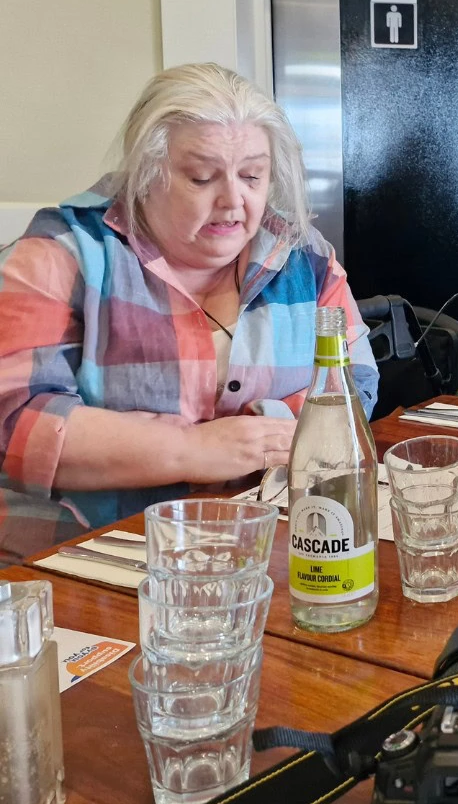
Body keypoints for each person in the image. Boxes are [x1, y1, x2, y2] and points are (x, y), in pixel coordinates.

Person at [0, 63, 378, 563]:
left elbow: (354, 384)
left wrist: (252, 437)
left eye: (251, 176)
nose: (233, 201)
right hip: (85, 563)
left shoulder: (302, 255)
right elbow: (15, 423)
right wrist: (194, 450)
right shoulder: (62, 252)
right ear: (147, 174)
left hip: (266, 555)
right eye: (202, 177)